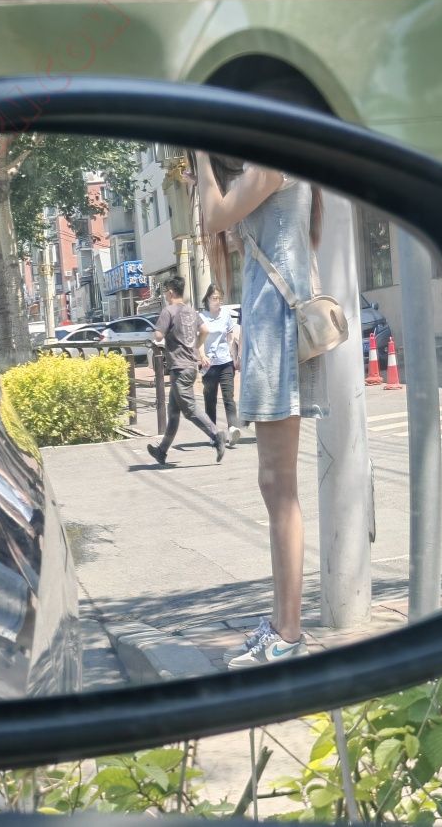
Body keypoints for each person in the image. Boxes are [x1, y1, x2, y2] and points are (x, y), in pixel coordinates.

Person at [194, 151, 329, 667]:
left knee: (279, 484)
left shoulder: (274, 162)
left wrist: (199, 152)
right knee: (274, 483)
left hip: (277, 326)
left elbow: (214, 216)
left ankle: (289, 632)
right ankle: (280, 624)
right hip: (266, 324)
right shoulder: (267, 167)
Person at [147, 275, 227, 466]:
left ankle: (216, 435)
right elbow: (205, 330)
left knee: (190, 409)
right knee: (174, 412)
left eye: (165, 292)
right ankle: (162, 451)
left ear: (170, 292)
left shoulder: (168, 311)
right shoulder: (191, 311)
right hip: (190, 366)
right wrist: (195, 346)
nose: (165, 295)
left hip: (179, 368)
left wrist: (158, 334)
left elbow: (158, 336)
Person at [197, 283, 241, 448]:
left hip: (225, 362)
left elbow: (230, 338)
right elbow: (199, 340)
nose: (218, 302)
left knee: (229, 397)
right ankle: (213, 433)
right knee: (210, 399)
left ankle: (232, 429)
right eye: (215, 298)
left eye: (220, 298)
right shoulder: (201, 317)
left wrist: (234, 357)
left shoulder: (226, 315)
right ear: (208, 299)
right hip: (209, 364)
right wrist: (202, 356)